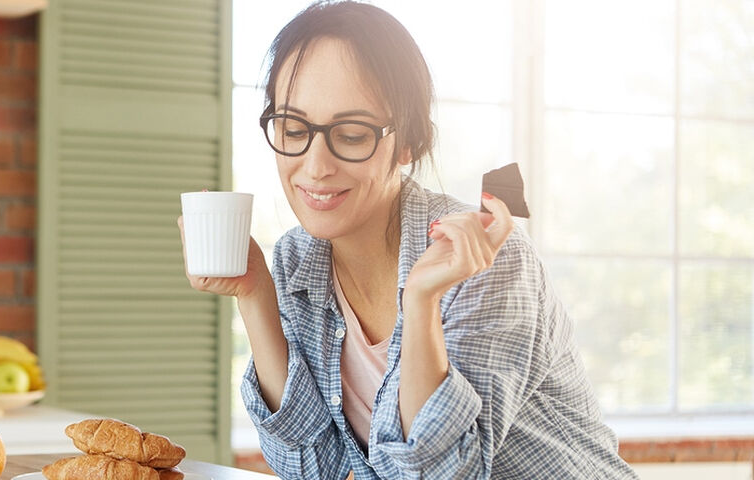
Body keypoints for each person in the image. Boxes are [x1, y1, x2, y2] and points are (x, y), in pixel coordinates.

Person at [178, 1, 638, 478]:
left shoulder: (483, 258)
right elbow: (310, 467)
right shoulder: (299, 261)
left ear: (408, 143)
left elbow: (438, 474)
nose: (314, 166)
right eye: (293, 129)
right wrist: (255, 294)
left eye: (351, 135)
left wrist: (421, 302)